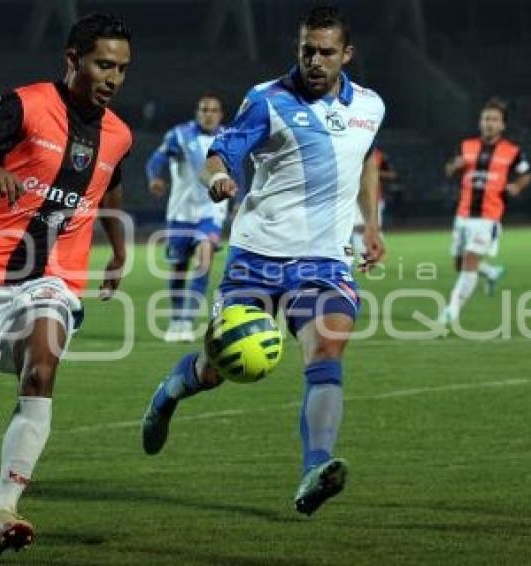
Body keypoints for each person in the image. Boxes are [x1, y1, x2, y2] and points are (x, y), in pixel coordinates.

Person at [140, 5, 385, 516]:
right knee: (215, 370)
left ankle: (315, 468)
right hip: (256, 256)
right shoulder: (267, 99)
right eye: (307, 50)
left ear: (347, 54)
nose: (315, 60)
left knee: (325, 357)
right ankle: (167, 394)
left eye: (326, 52)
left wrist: (372, 226)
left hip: (323, 261)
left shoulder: (370, 105)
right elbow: (221, 152)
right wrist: (215, 178)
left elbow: (365, 162)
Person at [0, 13, 132, 555]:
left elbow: (107, 191)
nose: (112, 78)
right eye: (103, 64)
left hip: (53, 275)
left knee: (42, 368)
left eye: (122, 69)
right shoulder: (24, 105)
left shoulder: (119, 135)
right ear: (72, 60)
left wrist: (119, 248)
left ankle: (2, 510)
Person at [145, 94, 231, 342]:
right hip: (180, 214)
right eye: (204, 109)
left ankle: (187, 320)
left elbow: (236, 172)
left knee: (204, 261)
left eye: (214, 110)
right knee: (179, 269)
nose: (209, 114)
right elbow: (156, 159)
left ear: (221, 114)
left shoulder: (226, 137)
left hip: (211, 213)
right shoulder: (179, 135)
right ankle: (176, 319)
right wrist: (155, 177)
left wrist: (239, 200)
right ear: (197, 112)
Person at [441, 97, 531, 323]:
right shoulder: (466, 146)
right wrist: (455, 167)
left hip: (488, 217)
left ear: (502, 125)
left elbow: (526, 173)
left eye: (494, 119)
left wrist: (517, 186)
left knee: (470, 261)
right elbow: (449, 170)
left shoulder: (512, 151)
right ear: (480, 122)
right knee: (459, 264)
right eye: (485, 119)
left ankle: (452, 309)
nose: (489, 123)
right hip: (463, 215)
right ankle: (491, 273)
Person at [350, 145, 395, 264]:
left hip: (375, 197)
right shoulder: (353, 149)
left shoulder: (379, 155)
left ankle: (373, 254)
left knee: (373, 226)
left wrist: (374, 172)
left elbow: (392, 174)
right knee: (358, 227)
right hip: (354, 195)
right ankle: (363, 255)